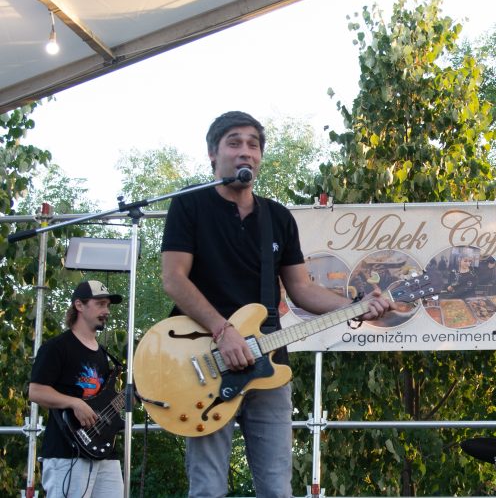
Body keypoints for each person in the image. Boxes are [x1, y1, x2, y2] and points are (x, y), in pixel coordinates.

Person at [160, 111, 394, 498]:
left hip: (269, 361)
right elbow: (174, 279)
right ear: (212, 153)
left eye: (253, 145)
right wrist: (223, 331)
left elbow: (301, 289)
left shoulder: (277, 217)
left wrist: (355, 304)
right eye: (234, 143)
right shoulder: (190, 205)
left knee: (276, 488)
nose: (245, 152)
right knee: (207, 488)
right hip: (205, 357)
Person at [29, 280, 125, 497]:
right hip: (67, 452)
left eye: (108, 305)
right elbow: (35, 391)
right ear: (79, 305)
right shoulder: (56, 347)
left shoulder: (103, 354)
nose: (106, 311)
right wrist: (74, 403)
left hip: (104, 451)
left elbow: (104, 400)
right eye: (100, 304)